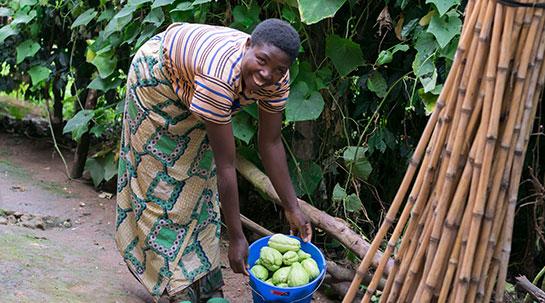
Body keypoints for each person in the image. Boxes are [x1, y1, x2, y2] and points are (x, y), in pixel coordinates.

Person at [115, 18, 312, 303]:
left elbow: (270, 142)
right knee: (161, 183)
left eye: (278, 69)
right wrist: (237, 237)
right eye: (261, 60)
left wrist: (292, 207)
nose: (267, 74)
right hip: (156, 79)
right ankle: (174, 283)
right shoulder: (219, 78)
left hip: (194, 85)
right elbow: (227, 166)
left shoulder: (277, 79)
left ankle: (203, 280)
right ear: (248, 47)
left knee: (198, 182)